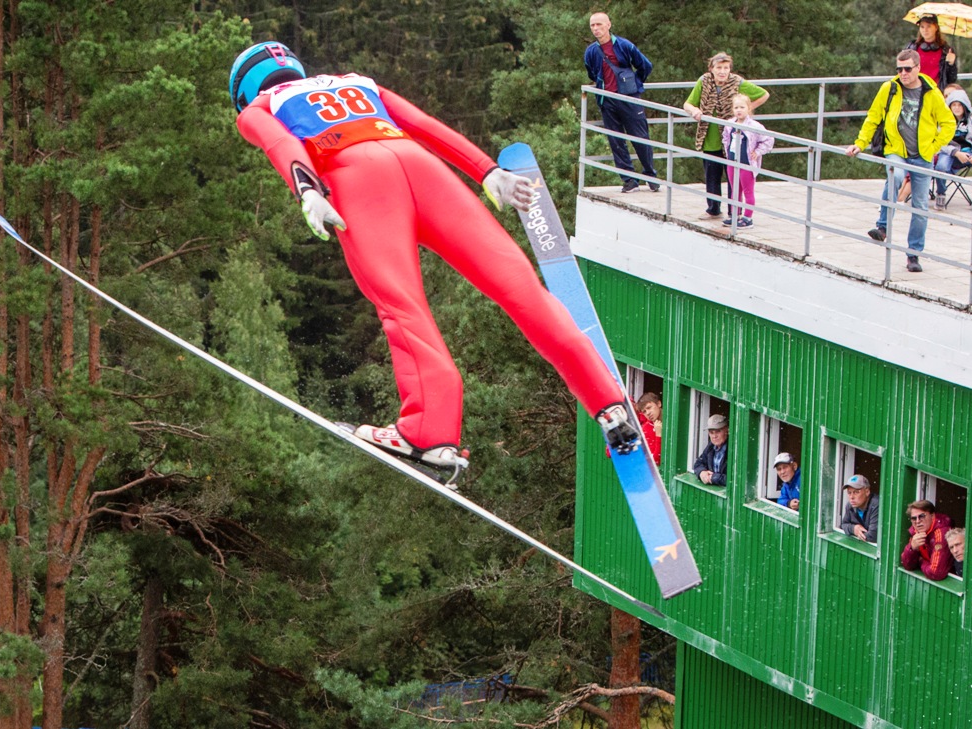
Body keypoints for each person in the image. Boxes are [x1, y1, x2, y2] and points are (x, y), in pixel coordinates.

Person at [231, 42, 639, 471]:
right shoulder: (356, 82)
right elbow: (425, 126)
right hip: (423, 169)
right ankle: (608, 401)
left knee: (402, 304)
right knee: (519, 287)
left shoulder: (259, 107)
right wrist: (487, 170)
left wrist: (307, 188)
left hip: (356, 179)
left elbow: (278, 142)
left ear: (245, 90)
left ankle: (428, 431)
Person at [846, 49, 955, 273]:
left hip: (922, 156)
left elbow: (948, 123)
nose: (903, 73)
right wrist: (860, 142)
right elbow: (873, 116)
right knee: (894, 177)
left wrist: (933, 147)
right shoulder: (890, 88)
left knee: (921, 207)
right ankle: (883, 227)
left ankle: (913, 255)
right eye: (899, 69)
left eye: (907, 69)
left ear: (918, 68)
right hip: (896, 150)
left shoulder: (931, 93)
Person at [683, 53, 769, 220]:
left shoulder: (737, 82)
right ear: (712, 69)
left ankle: (734, 212)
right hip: (710, 136)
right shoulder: (704, 81)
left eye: (726, 68)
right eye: (719, 68)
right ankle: (713, 208)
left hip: (732, 138)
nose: (723, 72)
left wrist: (746, 110)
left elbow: (763, 94)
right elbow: (688, 103)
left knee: (733, 177)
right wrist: (694, 110)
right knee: (711, 175)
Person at [584, 13, 660, 194]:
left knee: (640, 138)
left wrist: (634, 84)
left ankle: (650, 175)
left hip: (628, 99)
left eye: (599, 24)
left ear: (609, 25)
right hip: (607, 100)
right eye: (592, 25)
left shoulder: (624, 45)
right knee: (616, 141)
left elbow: (645, 65)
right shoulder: (591, 51)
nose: (596, 28)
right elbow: (591, 73)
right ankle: (629, 180)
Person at [720, 93, 774, 228]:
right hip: (732, 161)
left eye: (742, 107)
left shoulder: (754, 126)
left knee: (748, 190)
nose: (739, 110)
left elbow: (768, 139)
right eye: (736, 107)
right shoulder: (730, 124)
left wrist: (758, 152)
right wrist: (727, 153)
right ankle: (735, 214)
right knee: (734, 190)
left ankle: (748, 217)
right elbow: (726, 138)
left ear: (748, 108)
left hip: (747, 163)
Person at [933, 88, 972, 212]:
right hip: (949, 153)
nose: (957, 108)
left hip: (969, 153)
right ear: (950, 106)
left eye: (960, 105)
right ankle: (941, 194)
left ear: (965, 107)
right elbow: (939, 142)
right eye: (954, 105)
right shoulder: (943, 122)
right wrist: (956, 153)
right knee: (941, 168)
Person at [900, 500, 953, 581]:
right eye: (914, 518)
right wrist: (911, 548)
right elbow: (907, 565)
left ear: (932, 516)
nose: (917, 521)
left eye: (921, 516)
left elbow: (936, 573)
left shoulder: (941, 533)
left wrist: (921, 561)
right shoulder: (916, 531)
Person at [906, 13, 958, 93]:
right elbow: (904, 71)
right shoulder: (912, 48)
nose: (925, 30)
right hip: (915, 93)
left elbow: (951, 79)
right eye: (922, 27)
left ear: (936, 27)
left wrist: (951, 64)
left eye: (929, 26)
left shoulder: (946, 50)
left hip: (936, 93)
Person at [840, 474, 879, 543]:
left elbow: (872, 536)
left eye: (856, 492)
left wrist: (854, 532)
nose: (851, 497)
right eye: (849, 493)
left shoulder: (876, 505)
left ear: (867, 492)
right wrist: (854, 529)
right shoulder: (850, 506)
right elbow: (843, 525)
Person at [693, 414, 728, 486]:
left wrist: (714, 478)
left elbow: (734, 480)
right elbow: (698, 464)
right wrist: (702, 473)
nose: (714, 436)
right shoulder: (711, 447)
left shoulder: (732, 450)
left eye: (718, 431)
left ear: (726, 430)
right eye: (711, 432)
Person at [635, 392, 662, 466]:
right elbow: (655, 460)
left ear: (659, 404)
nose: (648, 413)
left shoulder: (670, 419)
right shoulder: (647, 428)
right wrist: (658, 435)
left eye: (649, 407)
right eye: (644, 411)